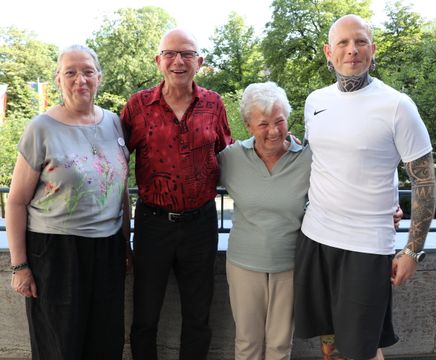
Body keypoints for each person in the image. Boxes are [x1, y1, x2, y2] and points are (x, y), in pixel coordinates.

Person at [294, 14, 436, 360]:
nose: (351, 50)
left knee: (361, 349)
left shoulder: (397, 106)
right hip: (315, 237)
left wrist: (412, 251)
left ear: (372, 50)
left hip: (366, 247)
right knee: (328, 343)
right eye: (342, 43)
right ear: (329, 52)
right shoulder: (315, 101)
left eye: (360, 42)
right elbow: (323, 160)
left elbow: (425, 180)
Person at [6, 44, 130, 360]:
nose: (80, 80)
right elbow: (17, 201)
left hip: (107, 249)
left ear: (99, 77)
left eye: (87, 71)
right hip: (55, 253)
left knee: (105, 343)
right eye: (70, 73)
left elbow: (120, 191)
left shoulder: (114, 123)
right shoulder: (41, 128)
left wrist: (125, 245)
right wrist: (20, 266)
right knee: (60, 347)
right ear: (58, 79)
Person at [121, 28, 233, 360]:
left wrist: (281, 152)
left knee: (199, 316)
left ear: (199, 61)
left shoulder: (213, 104)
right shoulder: (139, 105)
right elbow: (112, 162)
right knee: (145, 315)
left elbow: (229, 155)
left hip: (200, 223)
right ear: (158, 61)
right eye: (170, 54)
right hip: (152, 223)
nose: (178, 61)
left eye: (186, 54)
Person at [218, 82, 311, 360]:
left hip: (290, 264)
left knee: (280, 346)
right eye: (263, 124)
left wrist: (387, 209)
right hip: (244, 264)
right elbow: (194, 180)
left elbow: (341, 188)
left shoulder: (308, 158)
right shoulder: (231, 158)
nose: (273, 131)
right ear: (247, 125)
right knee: (247, 344)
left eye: (279, 121)